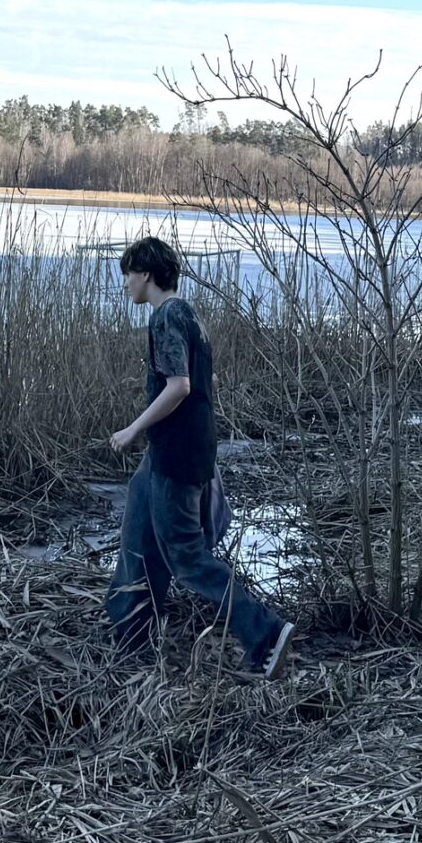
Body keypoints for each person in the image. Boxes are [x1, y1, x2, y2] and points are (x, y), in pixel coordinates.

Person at [105, 236, 294, 678]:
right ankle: (130, 630)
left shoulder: (167, 317)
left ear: (146, 274)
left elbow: (180, 386)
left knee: (187, 559)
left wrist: (134, 428)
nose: (126, 283)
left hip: (175, 455)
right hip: (177, 451)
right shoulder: (188, 314)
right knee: (138, 527)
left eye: (128, 274)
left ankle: (266, 633)